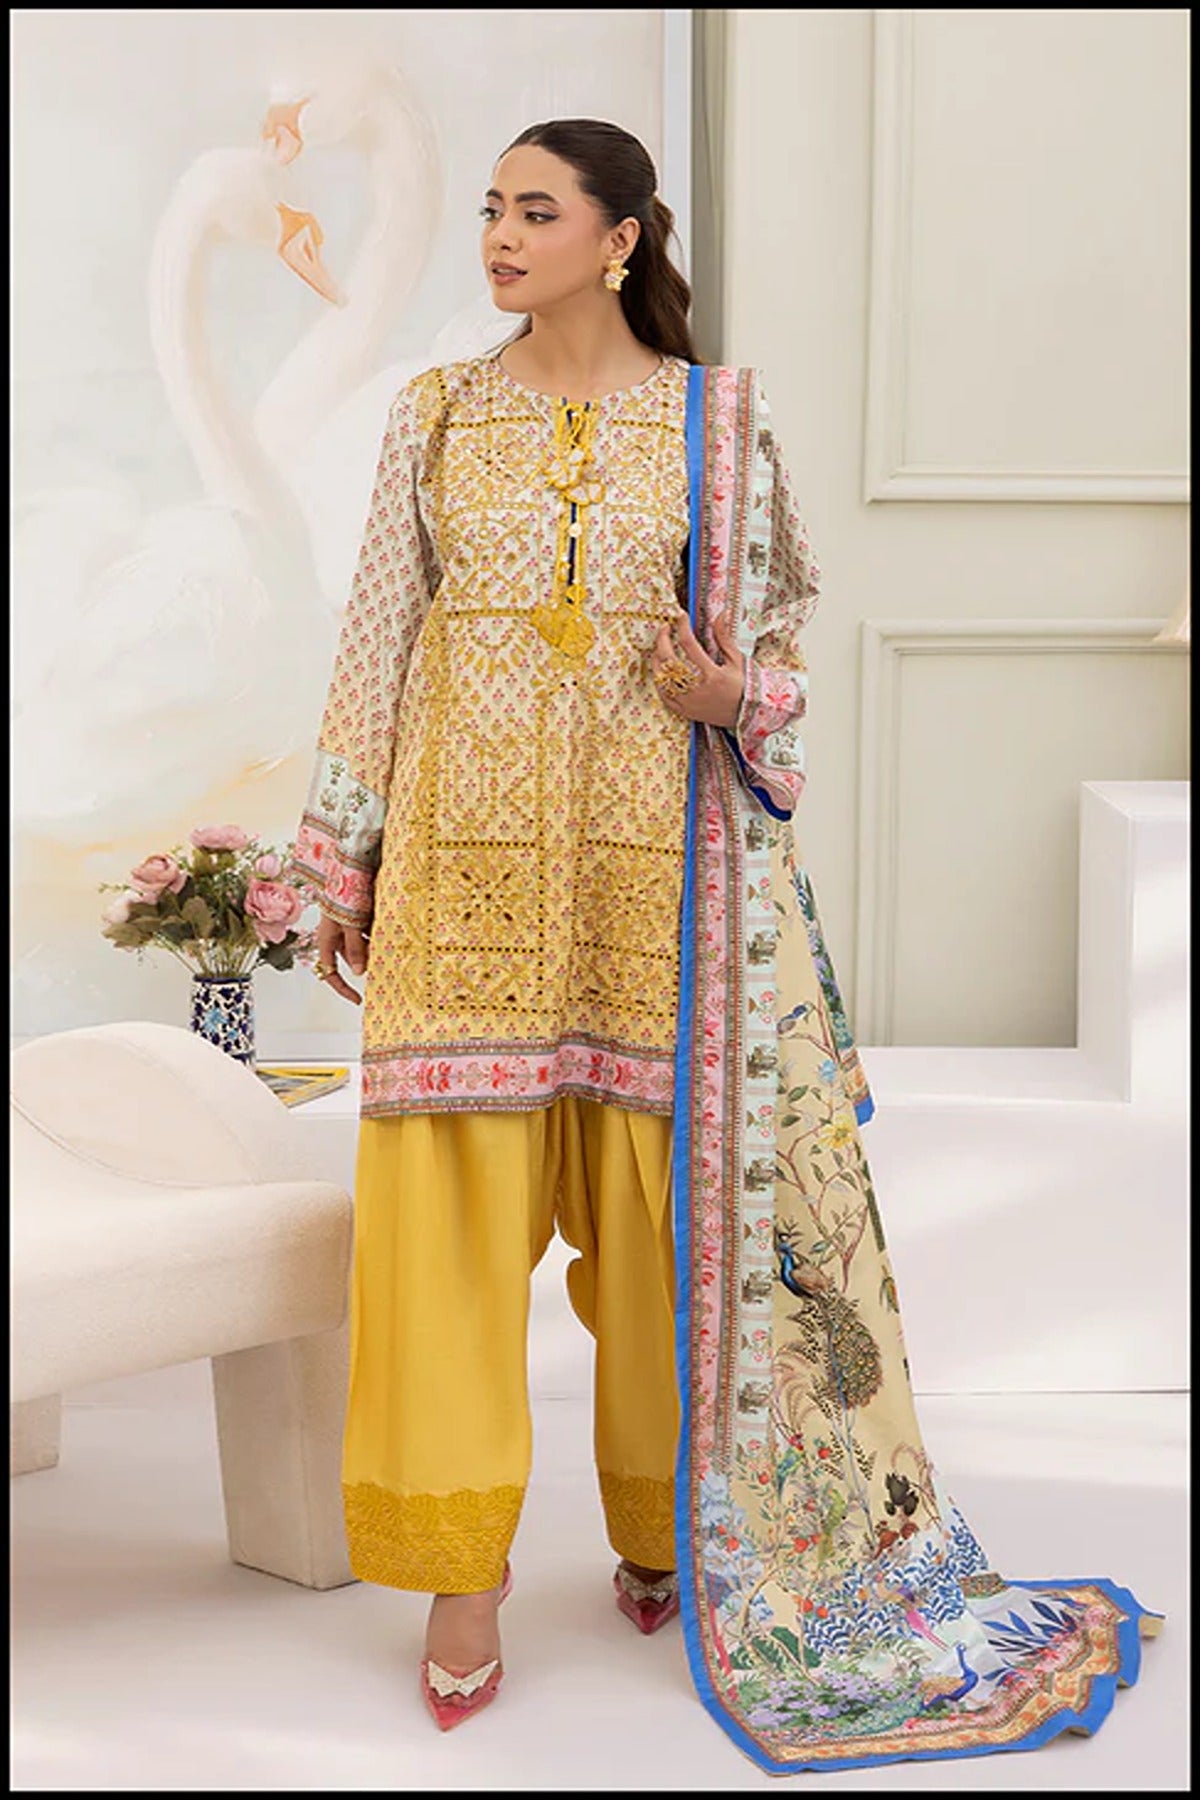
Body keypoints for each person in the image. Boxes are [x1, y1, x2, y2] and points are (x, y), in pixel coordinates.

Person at [291, 118, 1160, 1772]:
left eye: (535, 211)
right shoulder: (436, 414)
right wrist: (343, 858)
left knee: (662, 1236)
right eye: (490, 210)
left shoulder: (718, 423)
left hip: (656, 892)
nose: (499, 237)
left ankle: (662, 1529)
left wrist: (725, 692)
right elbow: (374, 638)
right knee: (441, 1250)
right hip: (462, 894)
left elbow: (780, 649)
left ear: (620, 238)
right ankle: (460, 1579)